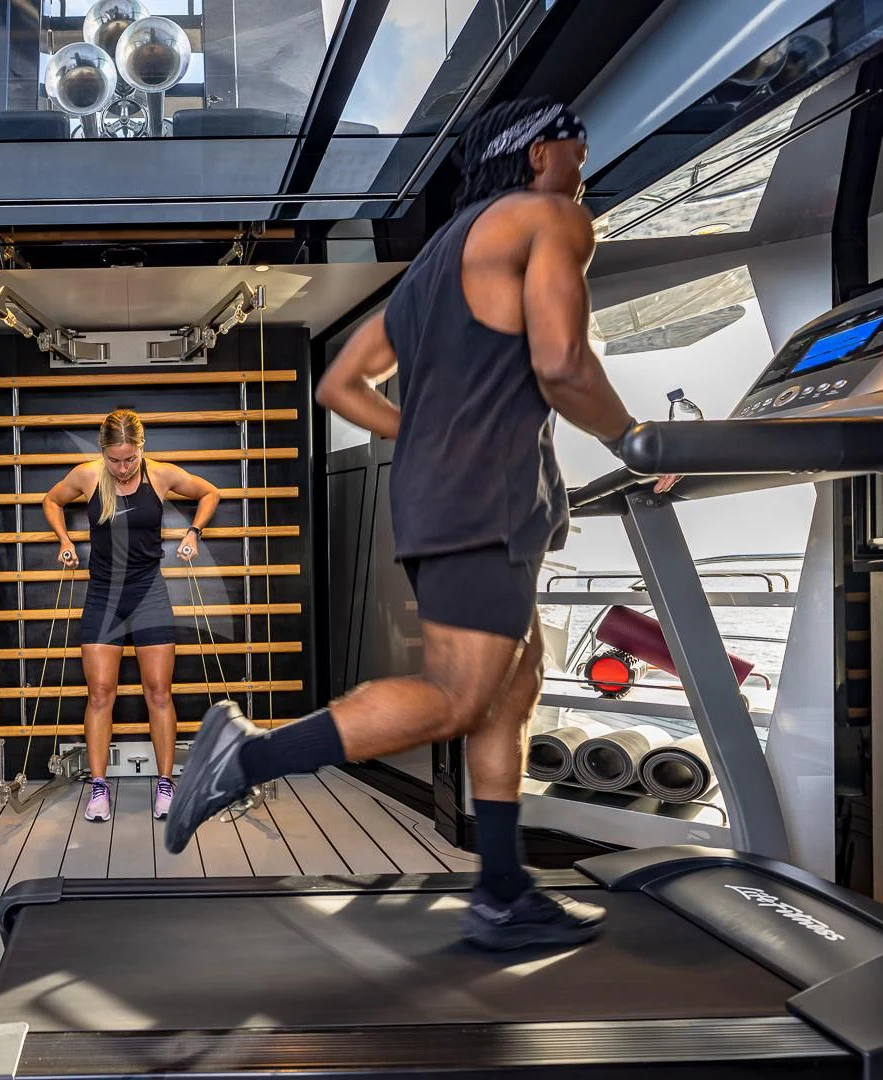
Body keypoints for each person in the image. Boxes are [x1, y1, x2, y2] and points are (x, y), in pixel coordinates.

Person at [164, 98, 677, 949]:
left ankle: (505, 890)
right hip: (484, 504)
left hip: (451, 500)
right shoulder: (551, 217)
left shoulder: (438, 261)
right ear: (540, 151)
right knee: (456, 698)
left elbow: (340, 385)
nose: (582, 164)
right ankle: (243, 755)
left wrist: (434, 434)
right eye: (578, 147)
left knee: (508, 699)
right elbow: (561, 362)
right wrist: (631, 438)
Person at [45, 409, 221, 823]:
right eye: (114, 459)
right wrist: (65, 539)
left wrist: (194, 532)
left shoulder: (160, 475)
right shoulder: (87, 476)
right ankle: (99, 790)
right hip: (103, 596)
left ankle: (164, 784)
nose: (122, 468)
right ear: (102, 452)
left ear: (142, 449)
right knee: (100, 694)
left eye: (130, 459)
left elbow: (210, 492)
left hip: (149, 594)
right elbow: (51, 500)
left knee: (159, 691)